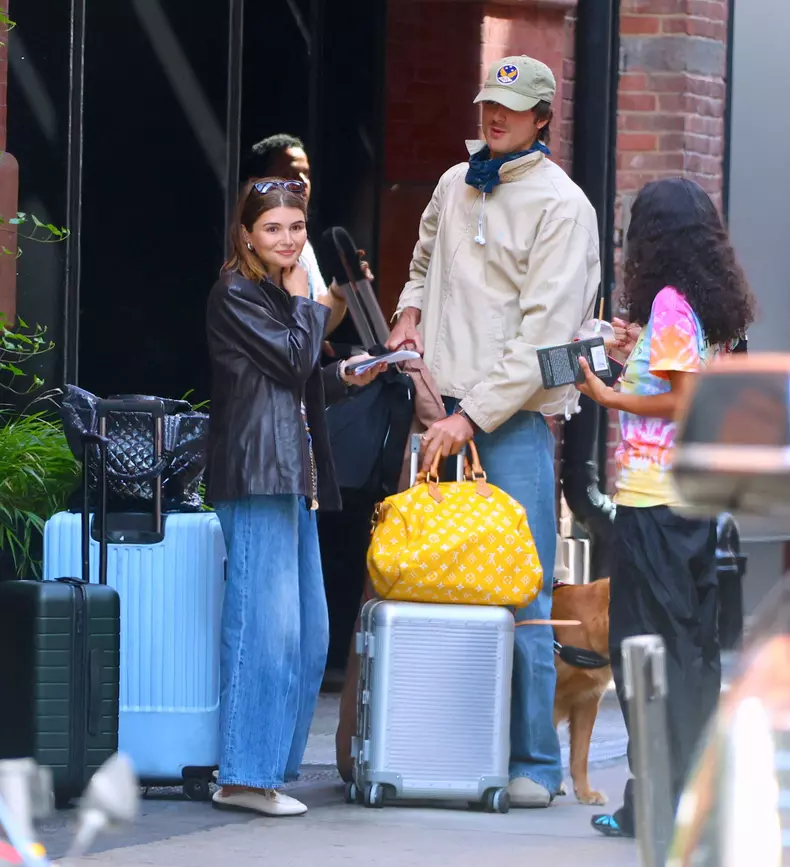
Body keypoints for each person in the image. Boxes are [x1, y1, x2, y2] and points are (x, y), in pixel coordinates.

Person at [388, 54, 601, 807]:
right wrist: (410, 311)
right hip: (436, 410)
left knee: (525, 590)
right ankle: (441, 745)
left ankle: (536, 764)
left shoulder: (564, 208)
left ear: (545, 118)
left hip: (502, 426)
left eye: (511, 107)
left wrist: (465, 415)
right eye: (488, 104)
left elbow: (544, 342)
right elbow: (420, 262)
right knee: (434, 586)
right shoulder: (453, 181)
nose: (494, 117)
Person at [574, 177, 755, 838]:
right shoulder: (700, 306)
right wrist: (632, 357)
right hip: (686, 501)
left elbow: (682, 401)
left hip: (657, 501)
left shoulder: (674, 305)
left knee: (646, 653)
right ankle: (677, 795)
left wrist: (611, 395)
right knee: (686, 651)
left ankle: (664, 799)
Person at [205, 178, 385, 817]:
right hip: (257, 476)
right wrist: (312, 299)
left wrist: (351, 373)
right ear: (247, 234)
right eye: (274, 228)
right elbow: (290, 361)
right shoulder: (236, 293)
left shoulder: (276, 295)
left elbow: (301, 377)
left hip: (295, 478)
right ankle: (243, 777)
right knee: (265, 629)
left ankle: (270, 768)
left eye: (296, 227)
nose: (288, 239)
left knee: (310, 635)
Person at [243, 134, 347, 334]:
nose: (301, 183)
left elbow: (316, 329)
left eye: (305, 174)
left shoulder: (303, 244)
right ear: (257, 184)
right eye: (288, 174)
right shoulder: (241, 263)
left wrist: (339, 291)